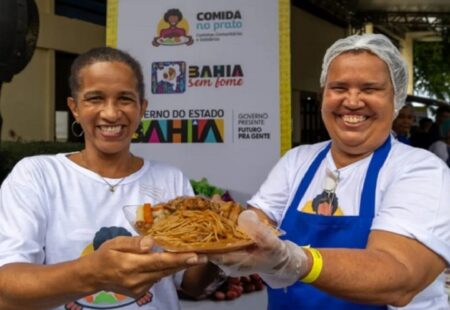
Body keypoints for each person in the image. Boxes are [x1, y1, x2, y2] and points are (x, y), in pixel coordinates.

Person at [209, 34, 450, 309]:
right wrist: (222, 227)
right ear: (324, 94)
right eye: (339, 87)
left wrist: (296, 260)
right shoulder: (297, 161)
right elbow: (255, 225)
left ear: (395, 99)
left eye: (370, 89)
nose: (353, 101)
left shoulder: (420, 170)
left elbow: (398, 276)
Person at [0, 47, 218, 309]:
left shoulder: (170, 179)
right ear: (75, 108)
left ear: (142, 108)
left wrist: (221, 249)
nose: (111, 113)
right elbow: (7, 289)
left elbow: (191, 284)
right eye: (95, 99)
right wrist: (92, 273)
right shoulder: (37, 175)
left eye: (125, 99)